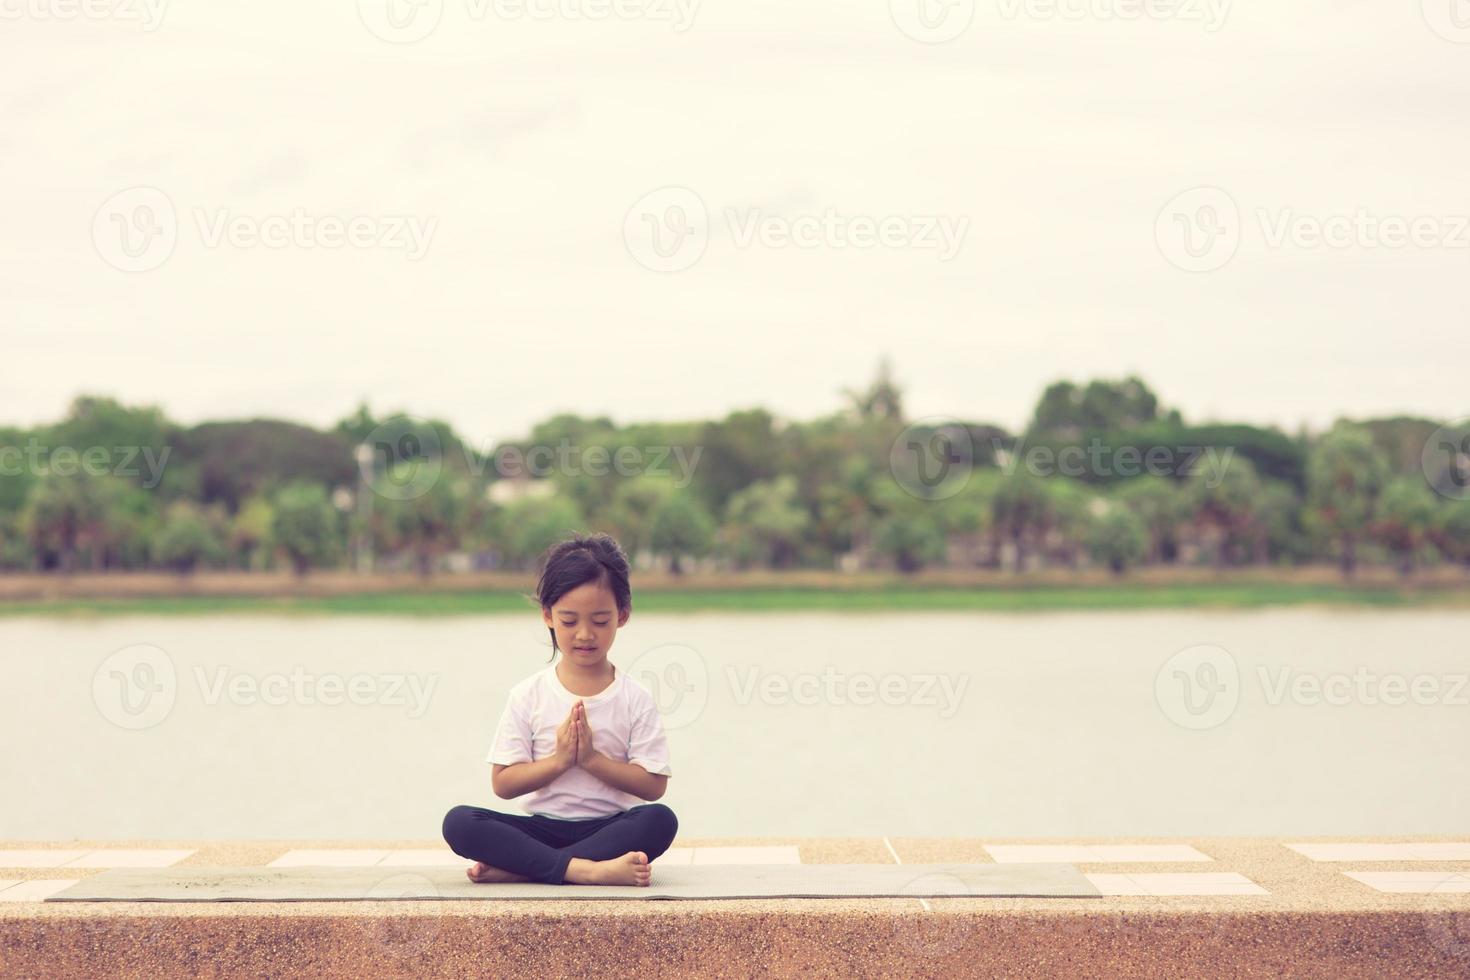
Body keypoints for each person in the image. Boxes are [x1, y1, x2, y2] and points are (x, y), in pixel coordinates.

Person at [442, 532, 678, 886]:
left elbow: (653, 786)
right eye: (569, 621)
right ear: (548, 615)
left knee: (660, 820)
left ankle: (527, 868)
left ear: (623, 615)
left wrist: (591, 760)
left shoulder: (635, 697)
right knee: (459, 823)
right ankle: (585, 871)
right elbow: (503, 784)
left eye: (600, 621)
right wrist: (561, 760)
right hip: (541, 828)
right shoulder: (529, 694)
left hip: (609, 828)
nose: (584, 634)